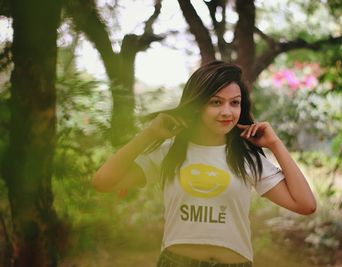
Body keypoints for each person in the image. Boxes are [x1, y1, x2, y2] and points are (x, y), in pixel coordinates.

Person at [92, 61, 316, 267]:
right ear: (198, 105)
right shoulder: (169, 153)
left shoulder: (246, 158)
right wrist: (149, 134)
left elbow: (305, 205)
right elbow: (103, 182)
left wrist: (275, 145)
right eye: (216, 102)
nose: (227, 112)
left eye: (234, 103)